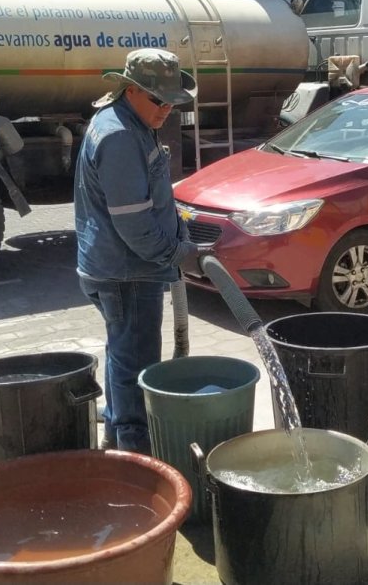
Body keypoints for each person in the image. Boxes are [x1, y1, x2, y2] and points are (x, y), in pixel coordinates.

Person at [74, 48, 207, 454]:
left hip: (119, 268)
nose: (167, 108)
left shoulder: (127, 121)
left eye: (172, 101)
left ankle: (117, 433)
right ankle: (134, 457)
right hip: (128, 272)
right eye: (158, 99)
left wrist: (176, 226)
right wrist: (179, 253)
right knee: (135, 366)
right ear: (130, 89)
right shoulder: (119, 136)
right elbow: (133, 224)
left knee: (123, 354)